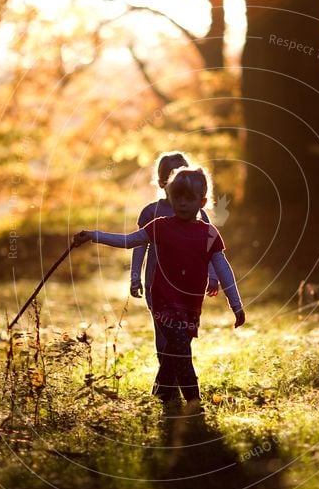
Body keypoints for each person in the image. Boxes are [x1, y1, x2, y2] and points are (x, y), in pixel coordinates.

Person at [72, 167, 244, 410]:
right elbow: (128, 241)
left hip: (190, 306)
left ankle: (159, 397)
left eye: (189, 198)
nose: (182, 204)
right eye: (178, 198)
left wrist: (236, 305)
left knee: (174, 352)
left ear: (202, 201)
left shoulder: (208, 234)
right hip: (163, 301)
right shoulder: (160, 227)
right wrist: (93, 235)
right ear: (170, 197)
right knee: (181, 351)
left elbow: (224, 270)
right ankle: (194, 404)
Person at [130, 152, 219, 363]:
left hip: (188, 287)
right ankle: (167, 387)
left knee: (183, 335)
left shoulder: (199, 214)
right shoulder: (151, 212)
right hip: (157, 284)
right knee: (164, 335)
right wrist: (135, 277)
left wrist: (213, 276)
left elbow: (210, 250)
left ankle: (171, 383)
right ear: (162, 182)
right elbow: (138, 245)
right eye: (171, 174)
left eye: (182, 172)